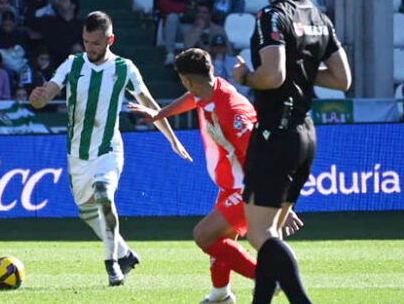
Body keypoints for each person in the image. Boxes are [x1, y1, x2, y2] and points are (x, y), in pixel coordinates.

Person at [29, 11, 192, 286]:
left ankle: (112, 264)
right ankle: (125, 253)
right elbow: (48, 95)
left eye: (95, 42)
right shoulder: (72, 64)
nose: (89, 48)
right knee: (88, 211)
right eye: (85, 41)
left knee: (104, 196)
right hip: (77, 155)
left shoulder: (124, 68)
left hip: (108, 149)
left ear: (110, 40)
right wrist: (38, 99)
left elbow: (151, 105)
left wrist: (172, 139)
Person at [129, 48, 303, 303]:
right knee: (221, 243)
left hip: (248, 187)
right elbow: (192, 98)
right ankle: (221, 296)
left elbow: (260, 154)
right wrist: (160, 114)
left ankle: (268, 277)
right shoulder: (209, 89)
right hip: (231, 184)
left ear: (186, 79)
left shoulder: (232, 111)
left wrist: (278, 199)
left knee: (204, 235)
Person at [231, 0, 351, 303]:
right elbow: (343, 79)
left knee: (259, 234)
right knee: (274, 230)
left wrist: (245, 77)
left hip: (275, 132)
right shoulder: (318, 16)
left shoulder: (271, 16)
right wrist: (304, 72)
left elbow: (273, 74)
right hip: (305, 134)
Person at [30, 0, 83, 67]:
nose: (60, 2)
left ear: (73, 6)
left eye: (64, 0)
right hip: (51, 62)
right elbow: (31, 24)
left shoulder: (80, 25)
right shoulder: (48, 21)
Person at [157, 0, 196, 64]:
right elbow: (166, 7)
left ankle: (188, 60)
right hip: (171, 30)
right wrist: (185, 8)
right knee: (172, 17)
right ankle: (170, 54)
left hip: (188, 29)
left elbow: (195, 12)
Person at [209, 34, 250, 98]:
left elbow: (243, 79)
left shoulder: (234, 61)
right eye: (216, 47)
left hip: (239, 95)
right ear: (211, 48)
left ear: (225, 47)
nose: (219, 49)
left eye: (221, 47)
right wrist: (218, 62)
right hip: (219, 97)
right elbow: (217, 80)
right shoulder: (208, 63)